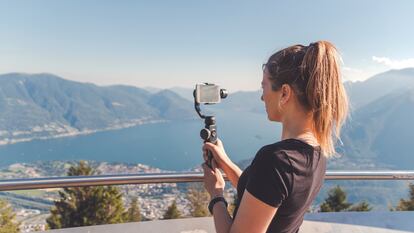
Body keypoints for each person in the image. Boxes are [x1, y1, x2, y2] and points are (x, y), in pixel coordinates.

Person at [201, 41, 349, 233]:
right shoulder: (316, 153)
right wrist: (226, 163)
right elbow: (265, 196)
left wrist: (216, 194)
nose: (262, 97)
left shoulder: (276, 160)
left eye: (265, 87)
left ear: (285, 93)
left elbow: (268, 184)